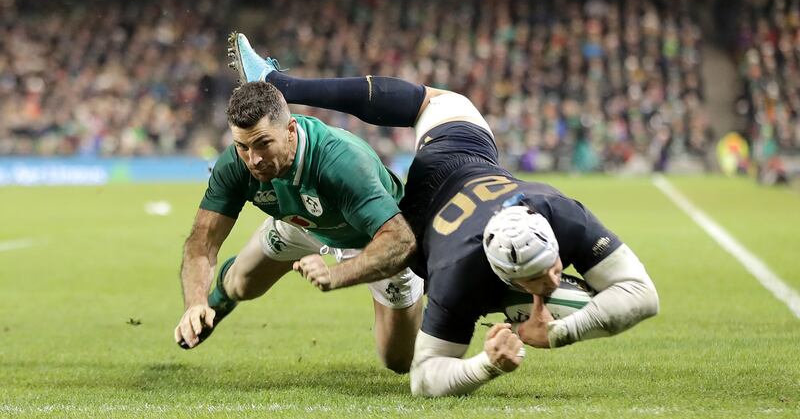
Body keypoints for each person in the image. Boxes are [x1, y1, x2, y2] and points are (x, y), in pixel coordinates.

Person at [229, 33, 659, 396]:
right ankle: (303, 192)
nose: (556, 274)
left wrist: (559, 332)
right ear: (505, 273)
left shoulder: (555, 208)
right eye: (538, 276)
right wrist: (486, 364)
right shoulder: (457, 273)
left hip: (463, 157)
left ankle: (279, 83)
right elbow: (424, 376)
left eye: (552, 264)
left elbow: (644, 296)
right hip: (418, 215)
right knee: (403, 349)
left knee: (445, 101)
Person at [173, 62, 425, 374]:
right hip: (303, 225)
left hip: (374, 239)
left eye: (264, 144)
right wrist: (196, 302)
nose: (254, 159)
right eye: (242, 146)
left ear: (291, 131)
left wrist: (336, 274)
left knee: (397, 361)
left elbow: (400, 239)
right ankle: (210, 310)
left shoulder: (340, 162)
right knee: (239, 285)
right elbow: (202, 242)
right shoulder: (236, 165)